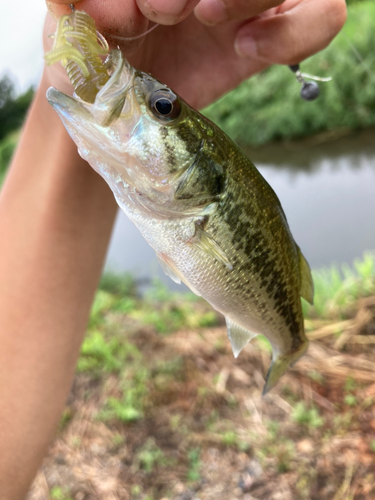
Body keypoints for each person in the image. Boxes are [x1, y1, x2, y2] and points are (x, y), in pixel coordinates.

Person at [0, 0, 346, 497]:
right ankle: (288, 346)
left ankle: (287, 346)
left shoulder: (189, 204)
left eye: (162, 107)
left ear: (204, 184)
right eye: (165, 107)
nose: (155, 103)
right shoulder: (181, 202)